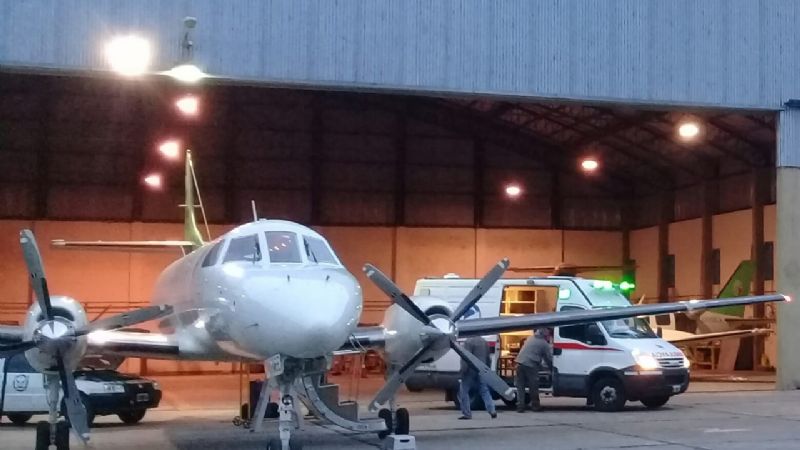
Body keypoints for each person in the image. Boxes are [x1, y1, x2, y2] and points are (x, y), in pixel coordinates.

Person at [457, 335, 497, 420]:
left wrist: (462, 371)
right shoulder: (484, 341)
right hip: (482, 369)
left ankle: (467, 413)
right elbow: (488, 358)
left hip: (470, 370)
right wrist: (487, 369)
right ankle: (492, 410)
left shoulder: (468, 342)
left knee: (464, 391)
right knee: (484, 390)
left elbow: (466, 357)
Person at [514, 328, 553, 412]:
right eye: (548, 335)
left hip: (520, 363)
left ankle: (520, 406)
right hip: (531, 365)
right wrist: (552, 368)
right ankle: (535, 406)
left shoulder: (530, 338)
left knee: (520, 386)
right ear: (545, 335)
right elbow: (548, 359)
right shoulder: (544, 343)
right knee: (533, 386)